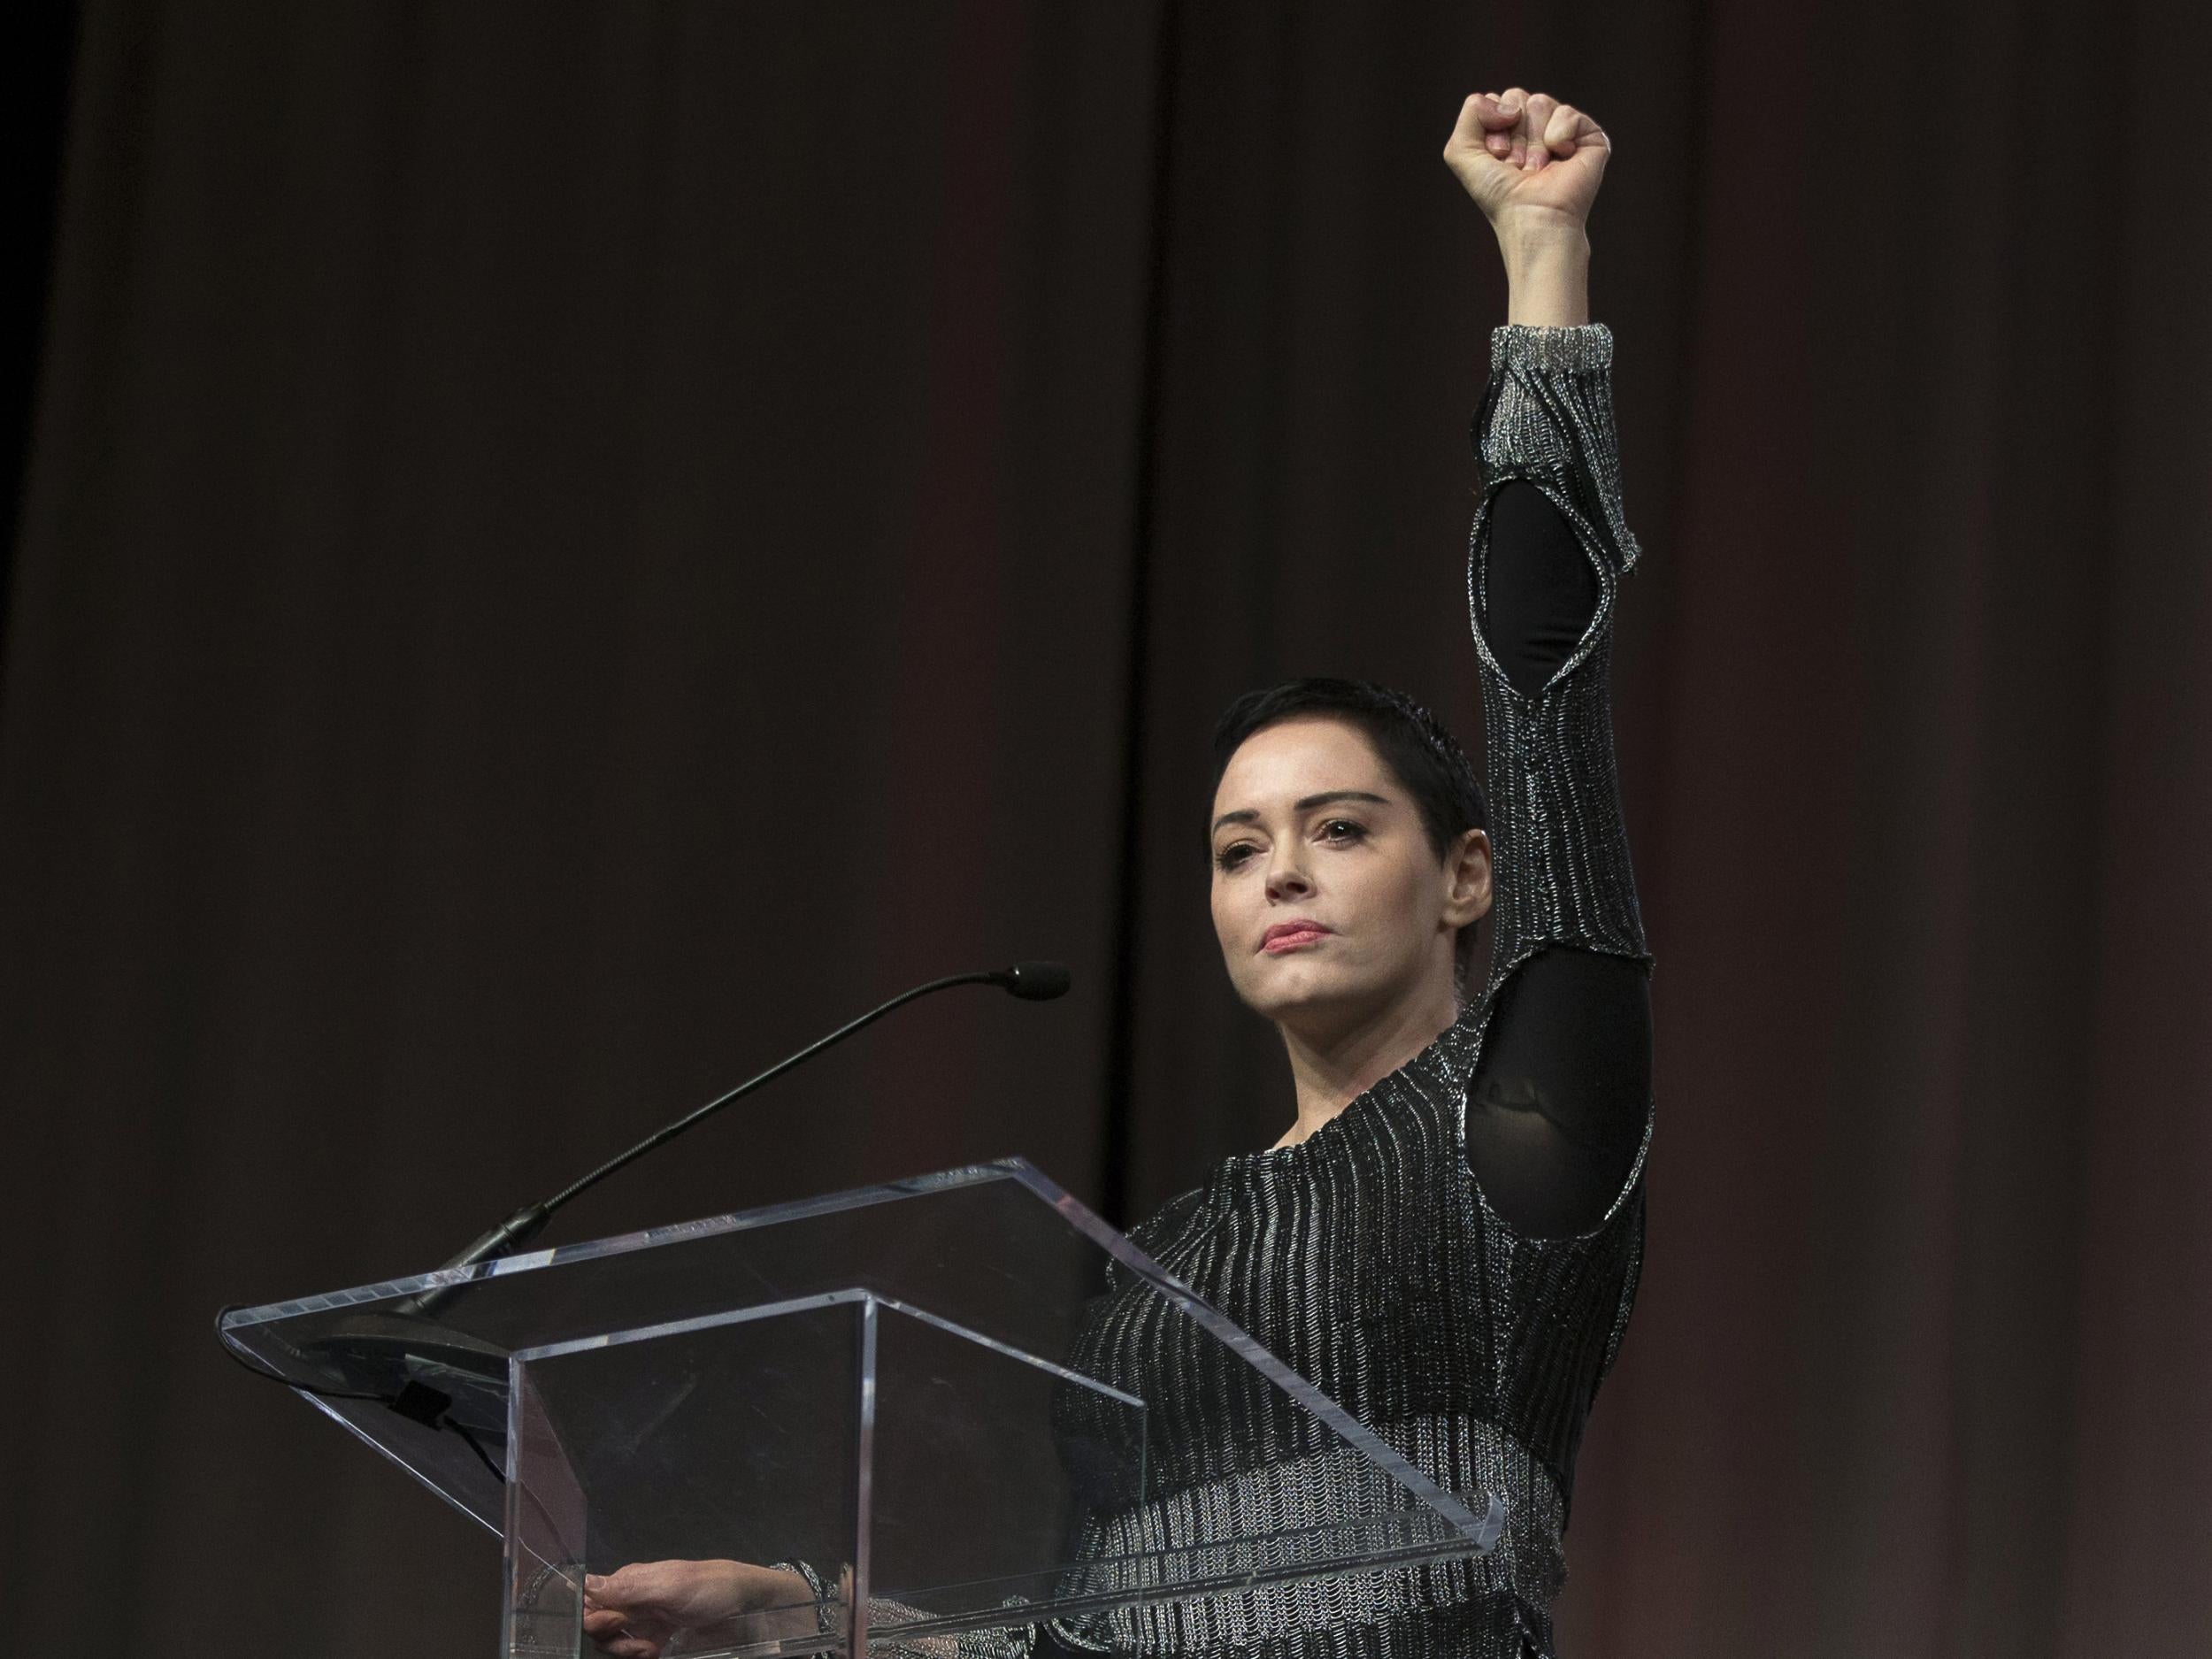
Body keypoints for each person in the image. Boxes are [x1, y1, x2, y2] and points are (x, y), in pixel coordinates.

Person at [585, 84, 1652, 1659]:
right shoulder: (1174, 1255)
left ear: (1469, 878)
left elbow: (1546, 683)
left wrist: (1543, 261)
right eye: (1239, 849)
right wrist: (815, 1626)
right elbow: (1090, 1635)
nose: (1280, 874)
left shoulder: (1529, 1134)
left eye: (1340, 828)